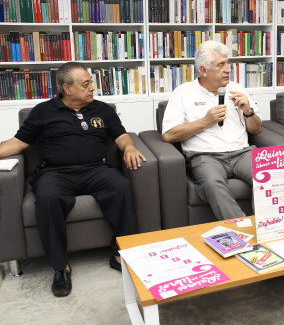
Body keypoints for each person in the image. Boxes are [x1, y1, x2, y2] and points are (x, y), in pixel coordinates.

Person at [0, 62, 145, 297]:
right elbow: (18, 143)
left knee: (121, 186)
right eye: (85, 84)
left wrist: (128, 147)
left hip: (96, 169)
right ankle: (60, 266)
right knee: (47, 197)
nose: (92, 88)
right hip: (55, 173)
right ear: (67, 88)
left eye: (91, 82)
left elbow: (121, 135)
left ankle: (120, 254)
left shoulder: (103, 109)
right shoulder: (43, 111)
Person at [162, 40, 262, 221]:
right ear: (203, 70)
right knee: (212, 184)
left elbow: (256, 129)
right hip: (206, 156)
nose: (228, 69)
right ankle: (241, 230)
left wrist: (248, 111)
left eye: (228, 63)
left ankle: (267, 227)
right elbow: (169, 135)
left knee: (267, 176)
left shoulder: (237, 89)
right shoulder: (183, 93)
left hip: (242, 153)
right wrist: (205, 122)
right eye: (221, 65)